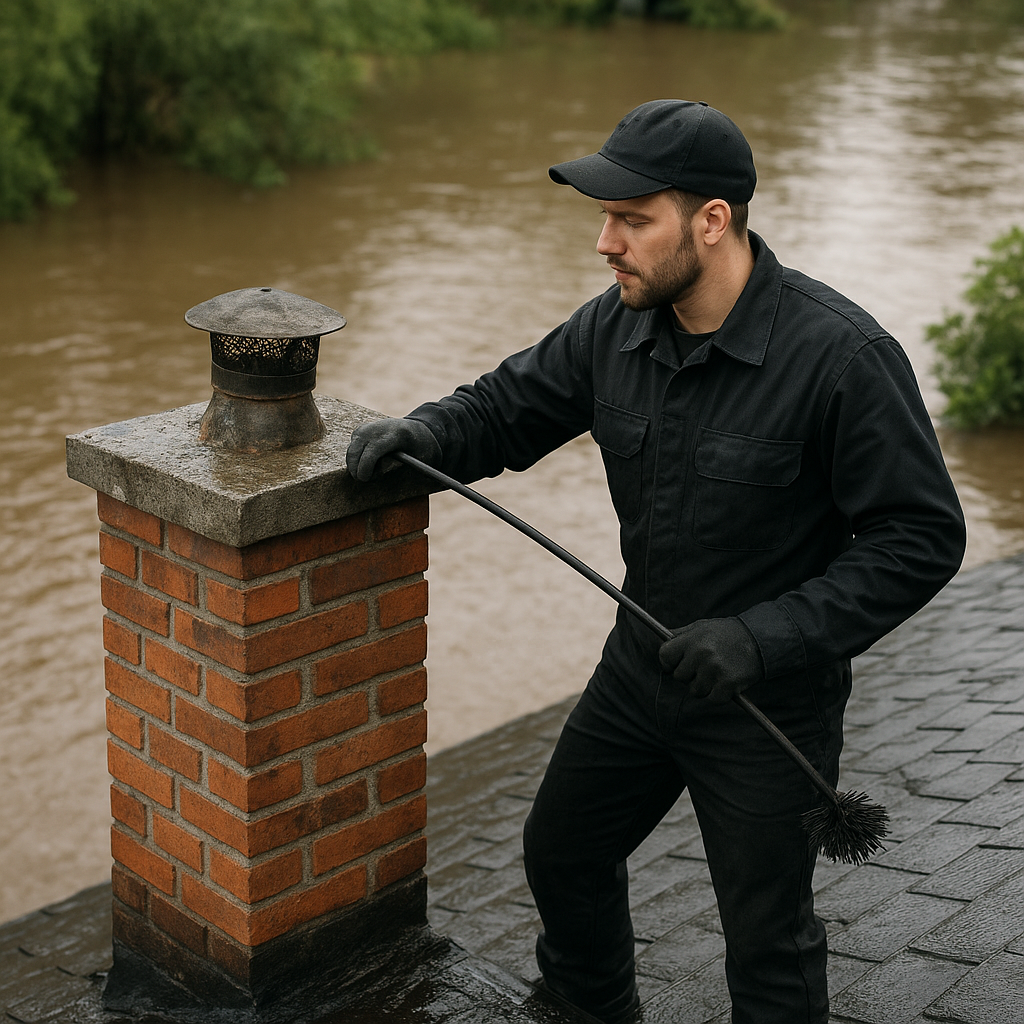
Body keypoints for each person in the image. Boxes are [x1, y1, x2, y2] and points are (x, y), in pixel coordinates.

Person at [346, 100, 966, 1024]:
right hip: (639, 671)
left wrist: (761, 639)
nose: (606, 242)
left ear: (712, 221)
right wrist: (423, 431)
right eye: (606, 218)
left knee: (766, 935)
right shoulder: (616, 326)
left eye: (633, 220)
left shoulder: (843, 357)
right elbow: (508, 407)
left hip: (766, 700)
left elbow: (922, 539)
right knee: (563, 851)